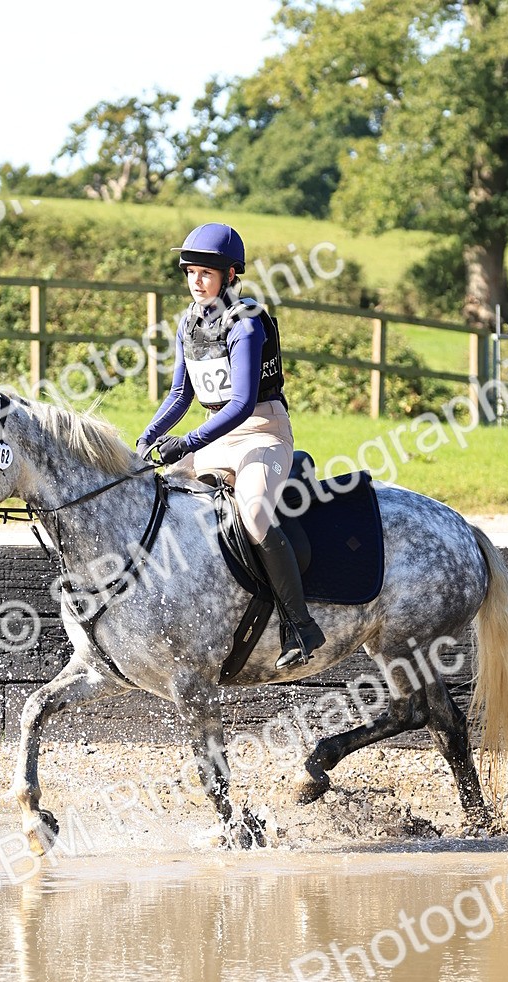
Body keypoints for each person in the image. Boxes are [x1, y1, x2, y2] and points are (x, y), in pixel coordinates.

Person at [136, 222, 326, 670]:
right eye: (189, 273)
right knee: (162, 504)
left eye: (205, 273)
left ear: (229, 275)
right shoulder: (189, 322)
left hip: (261, 432)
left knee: (256, 512)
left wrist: (186, 443)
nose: (195, 282)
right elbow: (181, 394)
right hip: (215, 434)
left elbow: (241, 404)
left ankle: (299, 625)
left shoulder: (246, 323)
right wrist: (148, 437)